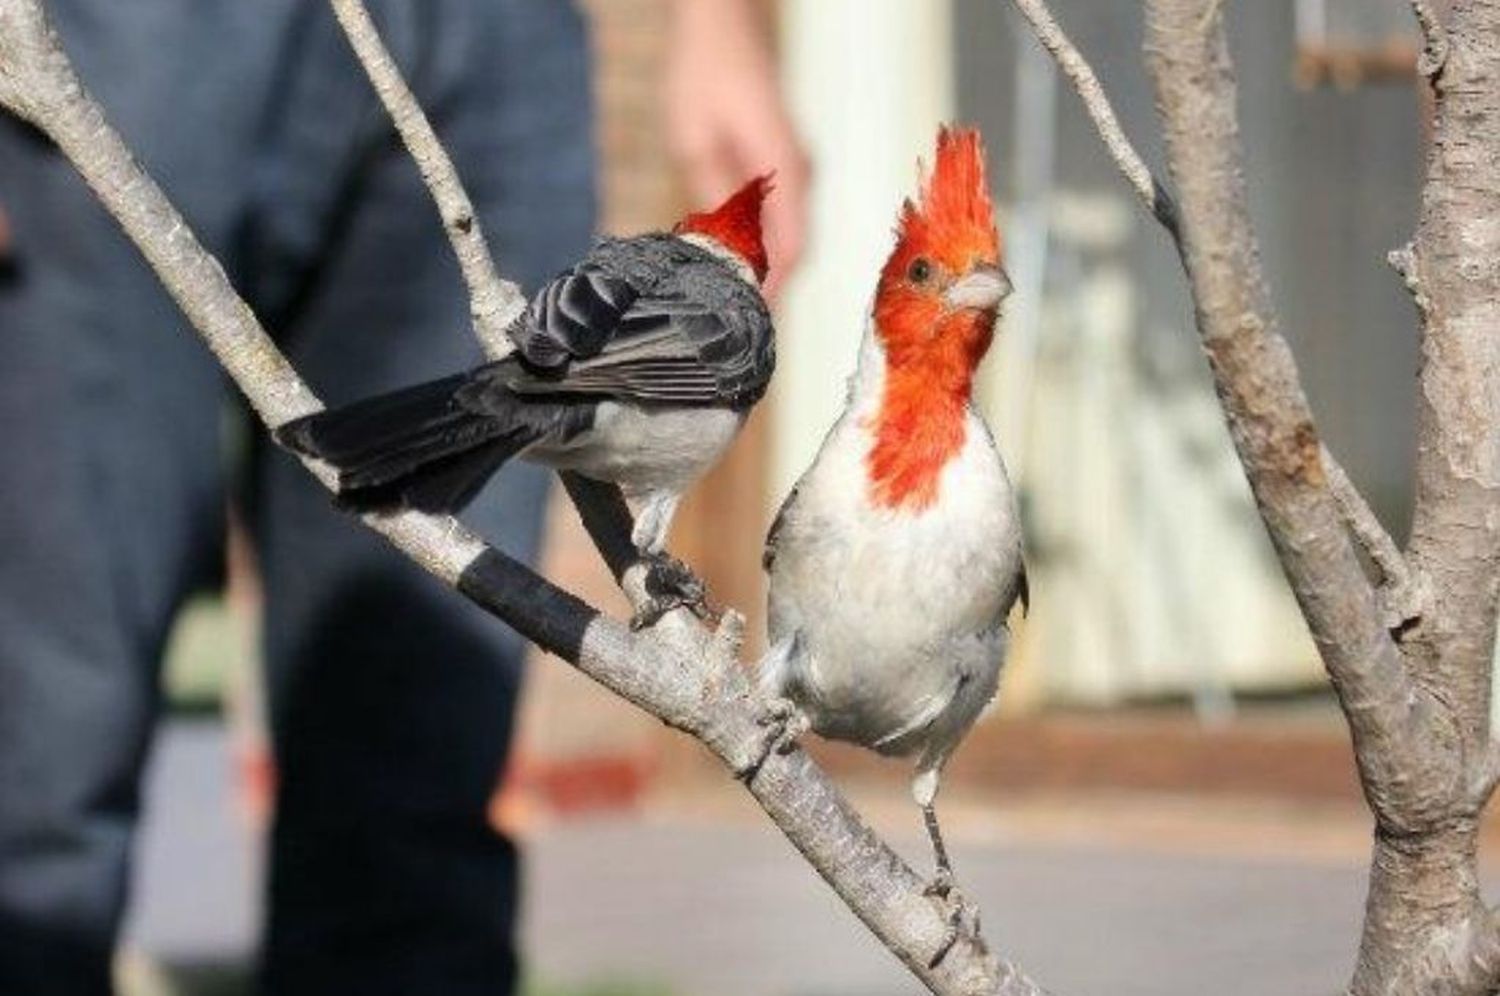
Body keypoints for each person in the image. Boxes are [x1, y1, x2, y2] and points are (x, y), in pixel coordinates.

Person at [0, 1, 807, 994]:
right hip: (130, 38)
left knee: (412, 816)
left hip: (497, 46)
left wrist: (715, 24)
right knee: (36, 777)